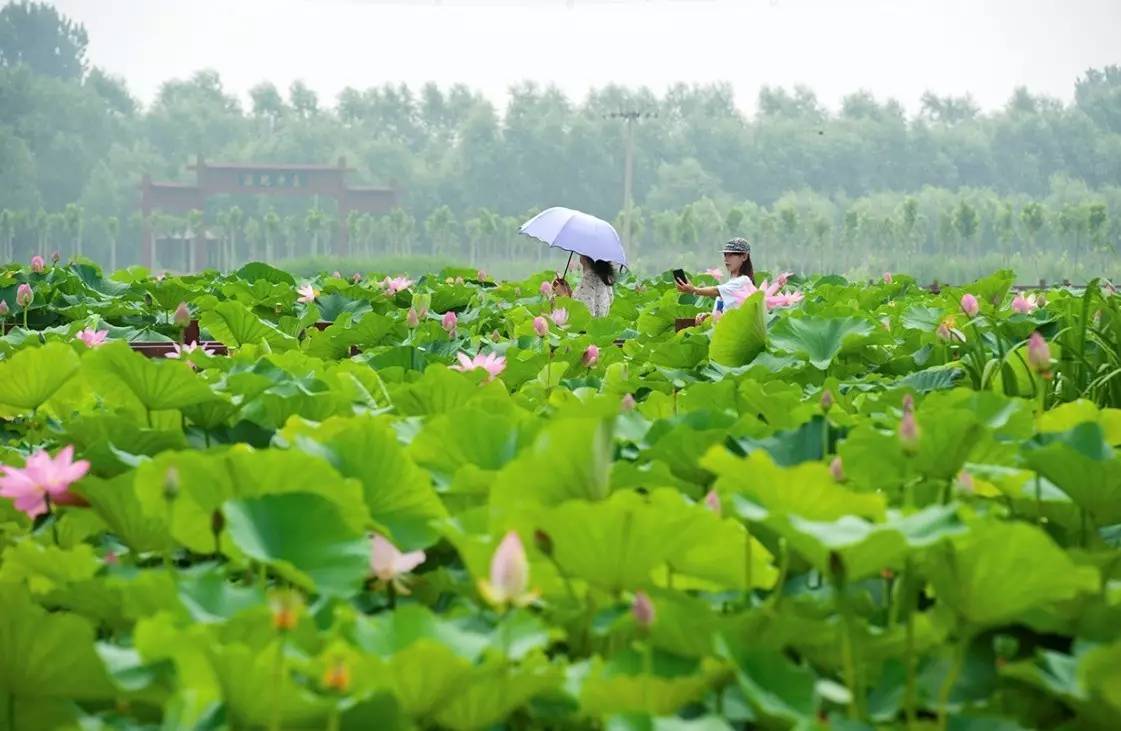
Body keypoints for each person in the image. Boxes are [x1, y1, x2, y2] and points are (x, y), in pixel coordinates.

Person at [675, 238, 755, 324]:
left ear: (744, 257)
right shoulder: (730, 284)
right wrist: (708, 316)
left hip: (730, 333)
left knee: (680, 326)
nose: (726, 259)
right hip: (720, 329)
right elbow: (723, 314)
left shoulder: (744, 281)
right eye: (725, 255)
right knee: (678, 325)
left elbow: (716, 290)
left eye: (731, 255)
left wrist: (694, 290)